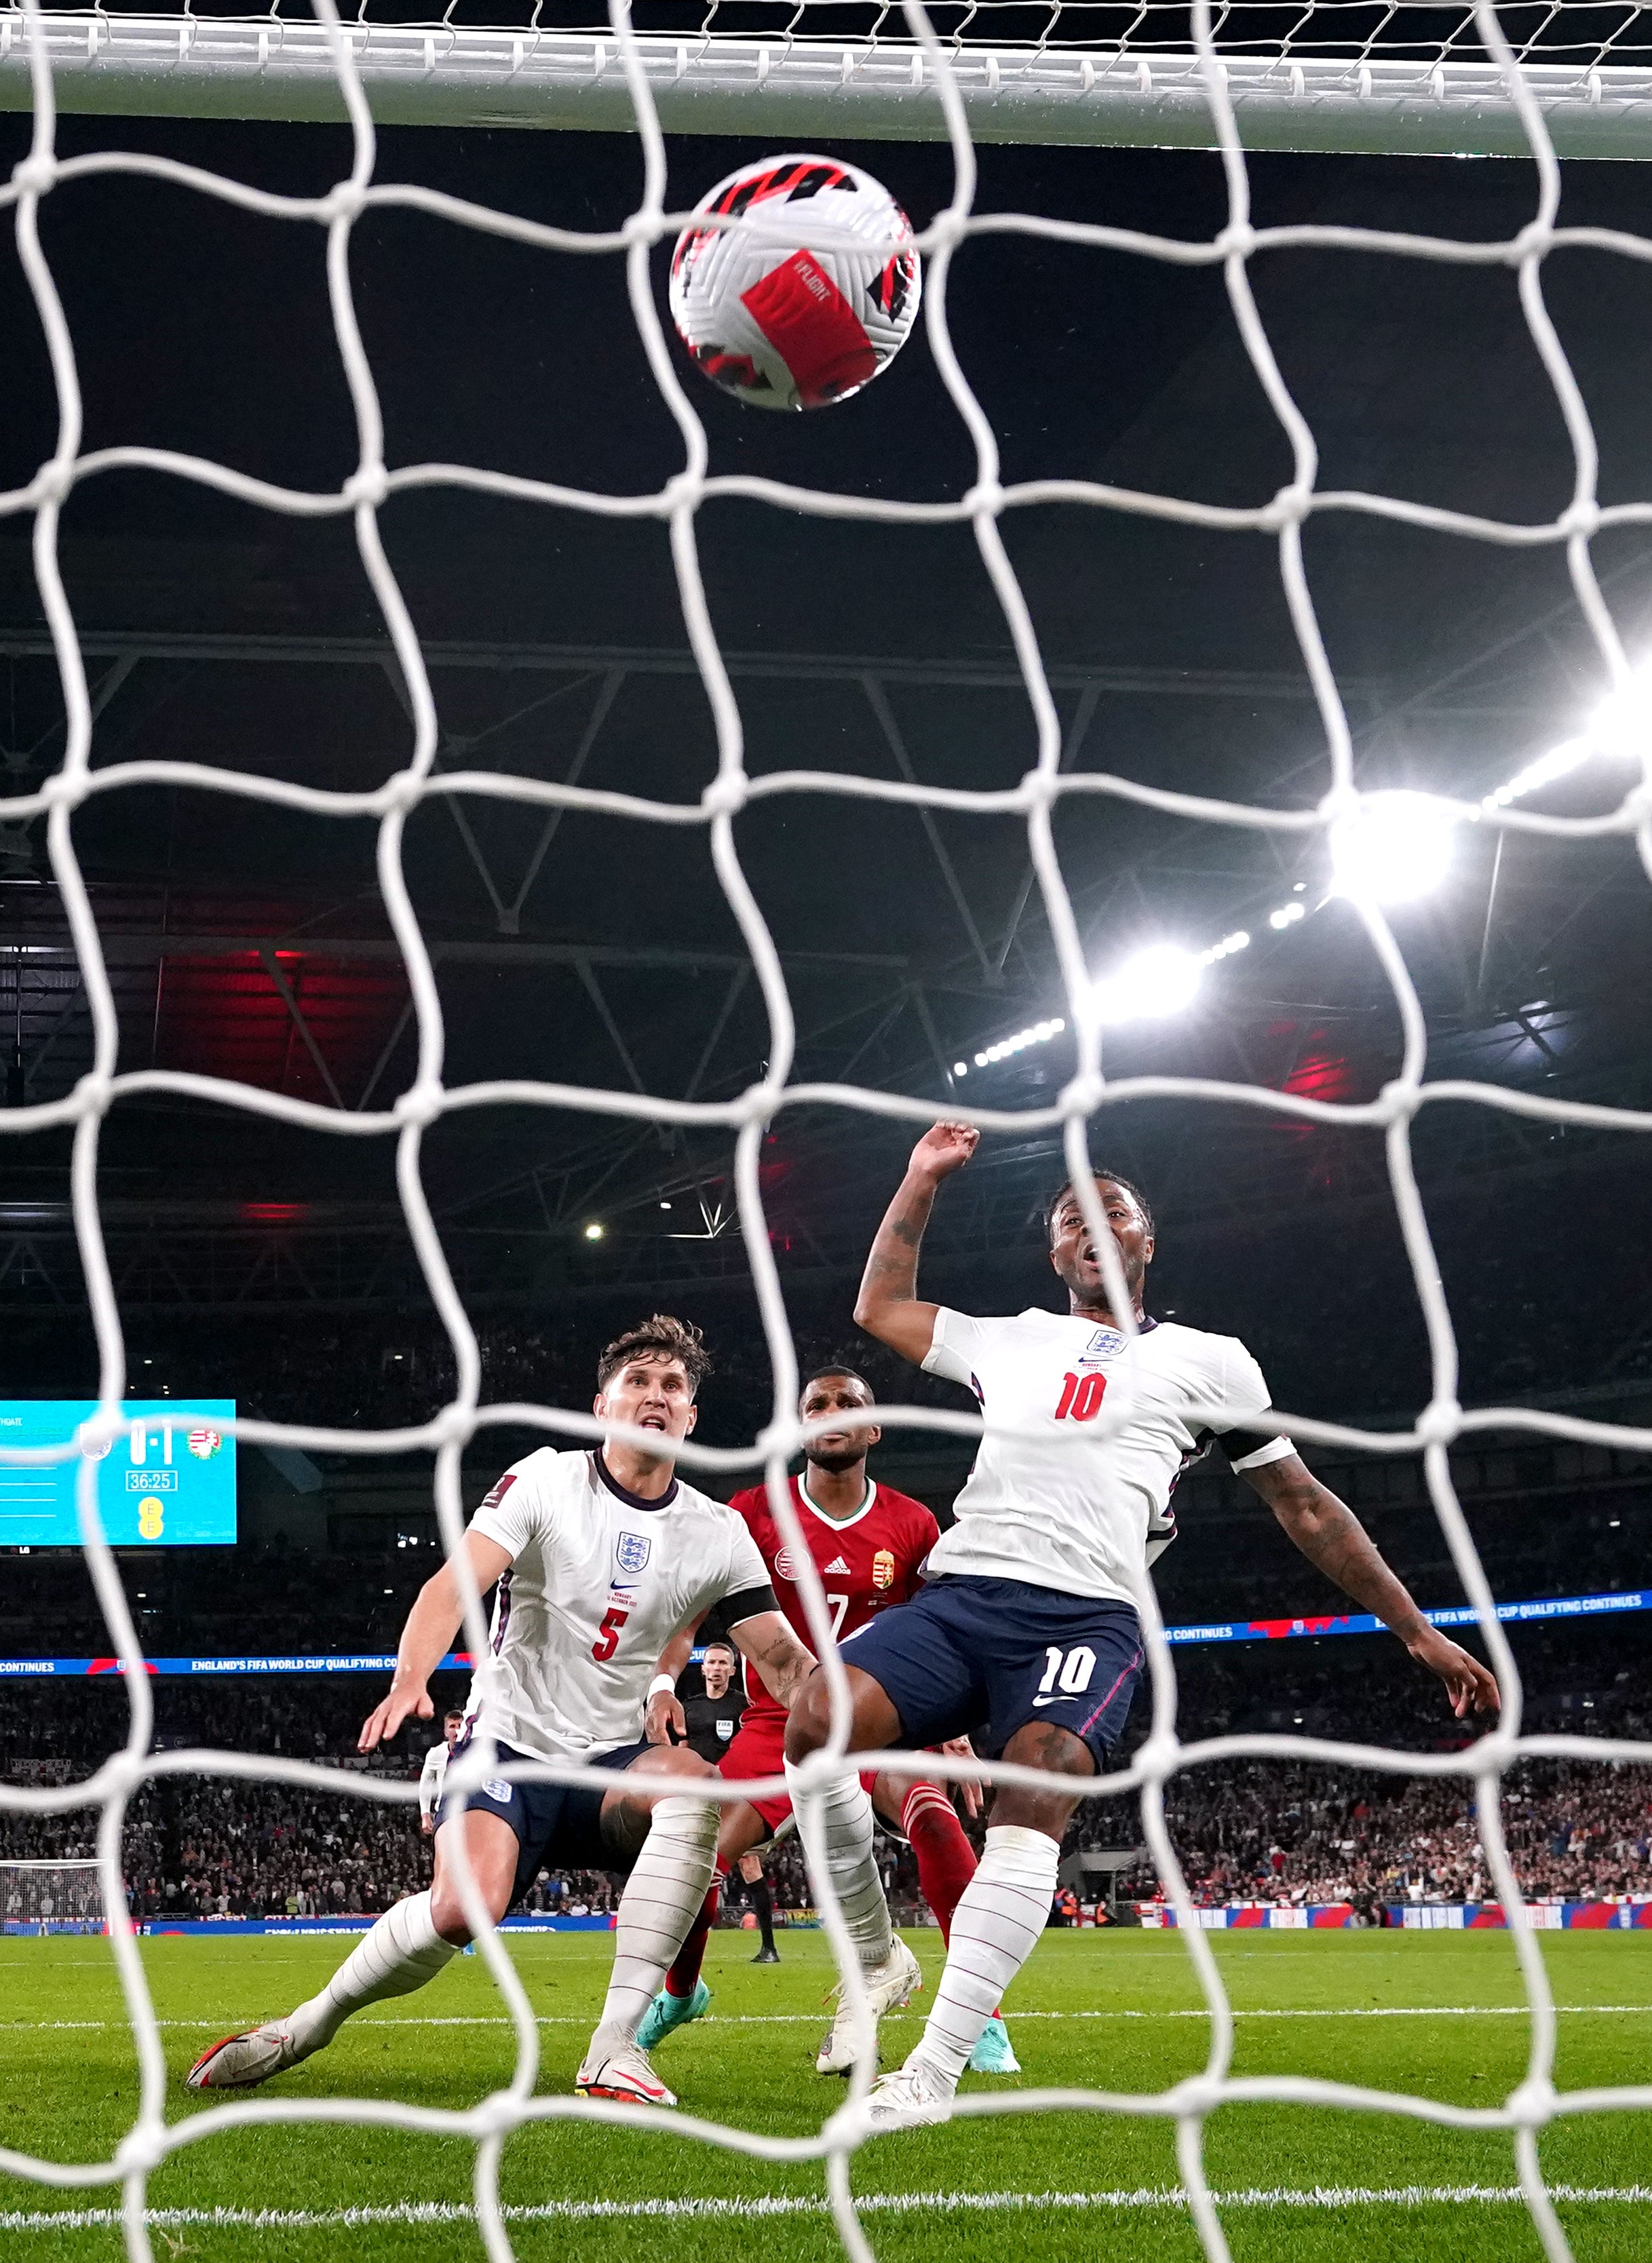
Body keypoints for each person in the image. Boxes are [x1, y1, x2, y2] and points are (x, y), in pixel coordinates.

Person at [785, 1123, 1501, 2125]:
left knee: (1034, 1785)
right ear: (1053, 1254)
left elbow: (1303, 1505)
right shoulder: (1010, 1334)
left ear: (1145, 1240)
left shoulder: (1212, 1361)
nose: (1090, 1225)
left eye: (1110, 1211)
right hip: (963, 1593)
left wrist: (1415, 1628)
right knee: (815, 1720)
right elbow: (878, 1305)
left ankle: (929, 2075)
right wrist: (916, 1180)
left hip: (1086, 1611)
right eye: (1069, 1218)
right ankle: (874, 1956)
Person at [186, 1314, 814, 2112]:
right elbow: (450, 1586)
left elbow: (785, 1662)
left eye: (673, 1386)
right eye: (638, 1382)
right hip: (508, 1744)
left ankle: (613, 2045)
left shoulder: (718, 1532)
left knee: (695, 1788)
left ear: (691, 1416)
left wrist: (872, 1714)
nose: (655, 1396)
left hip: (611, 1765)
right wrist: (409, 1678)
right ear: (601, 1405)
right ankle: (309, 2024)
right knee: (462, 1909)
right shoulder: (546, 1479)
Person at [636, 1367, 1018, 2076]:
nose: (830, 1411)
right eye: (816, 1403)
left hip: (881, 1715)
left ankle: (980, 2019)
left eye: (848, 1403)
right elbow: (689, 1609)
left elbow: (939, 1627)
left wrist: (955, 1718)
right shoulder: (751, 1510)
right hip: (774, 1719)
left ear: (873, 1428)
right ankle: (682, 1991)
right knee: (690, 1859)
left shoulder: (912, 1523)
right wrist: (664, 1680)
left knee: (935, 1819)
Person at [673, 1637, 783, 1964]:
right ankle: (682, 1945)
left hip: (738, 1797)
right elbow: (681, 1755)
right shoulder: (688, 1708)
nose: (717, 1669)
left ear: (733, 1670)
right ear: (703, 1668)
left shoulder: (744, 1707)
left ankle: (769, 1947)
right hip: (701, 1798)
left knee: (749, 1864)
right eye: (713, 1663)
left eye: (724, 1663)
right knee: (690, 1866)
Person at [417, 1708, 467, 1837]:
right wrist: (425, 1814)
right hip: (444, 1813)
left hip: (469, 1812)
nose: (456, 1730)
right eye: (452, 1726)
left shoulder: (476, 1753)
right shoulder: (436, 1754)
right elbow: (425, 1784)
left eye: (460, 1726)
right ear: (445, 1732)